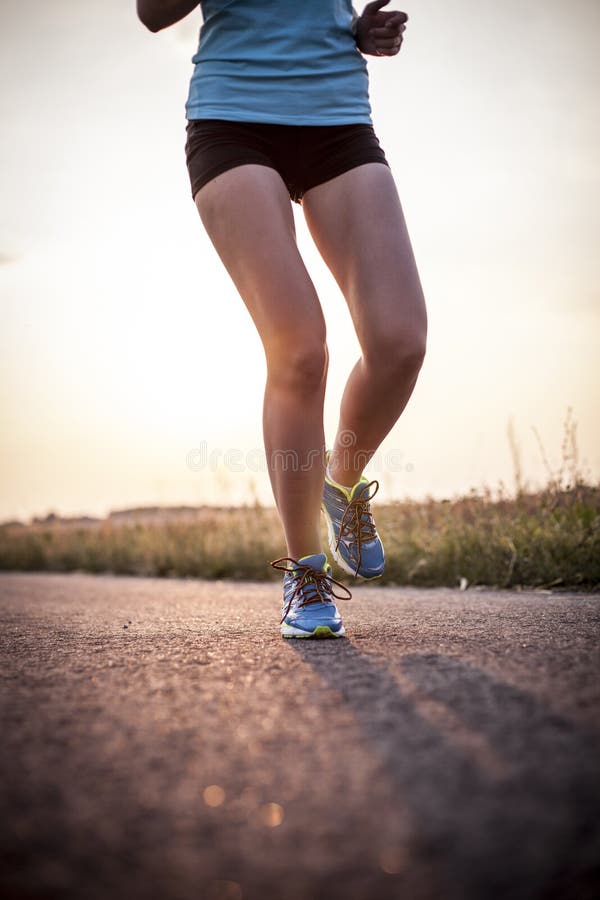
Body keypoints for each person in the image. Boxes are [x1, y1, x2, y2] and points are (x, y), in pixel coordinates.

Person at [137, 0, 428, 639]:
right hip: (232, 119)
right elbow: (151, 12)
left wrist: (359, 30)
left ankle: (342, 485)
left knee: (400, 341)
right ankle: (306, 570)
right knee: (298, 347)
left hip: (337, 115)